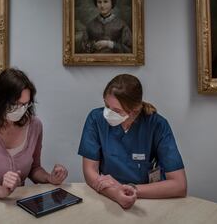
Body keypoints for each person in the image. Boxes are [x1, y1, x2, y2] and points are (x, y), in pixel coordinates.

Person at [78, 74, 186, 209]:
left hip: (148, 200)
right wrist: (115, 193)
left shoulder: (157, 125)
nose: (108, 113)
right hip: (108, 198)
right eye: (106, 105)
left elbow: (179, 185)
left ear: (134, 111)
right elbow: (90, 171)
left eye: (116, 111)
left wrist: (130, 189)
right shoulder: (96, 119)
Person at [0, 68, 68, 199]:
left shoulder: (34, 125)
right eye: (15, 104)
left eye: (25, 104)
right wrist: (0, 191)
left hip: (13, 201)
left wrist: (49, 178)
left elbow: (34, 168)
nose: (20, 110)